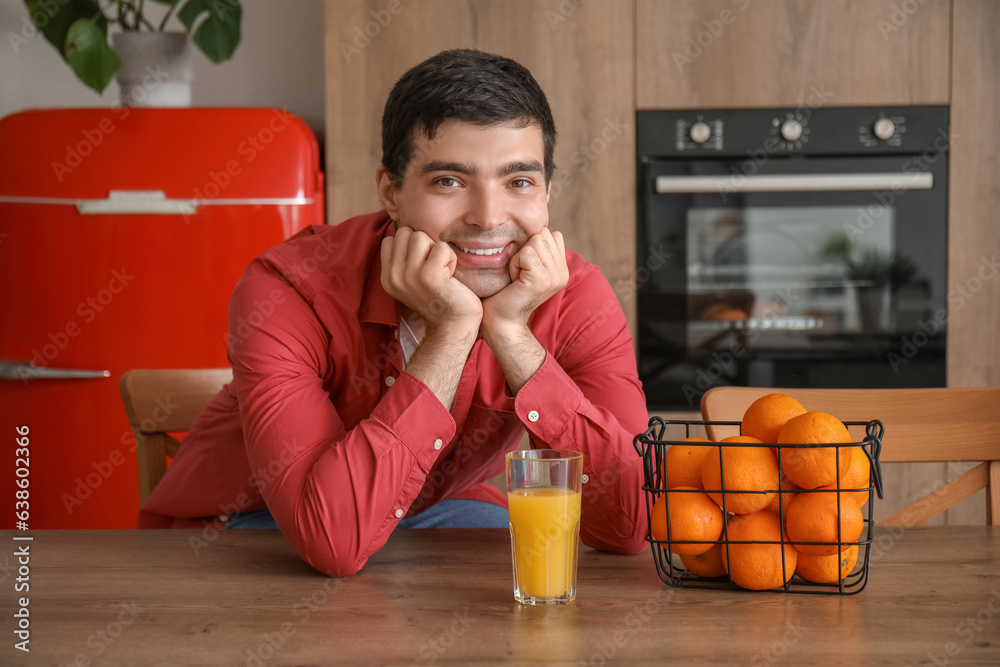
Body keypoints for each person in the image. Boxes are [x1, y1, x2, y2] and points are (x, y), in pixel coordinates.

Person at [139, 49, 649, 576]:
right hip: (248, 530)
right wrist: (452, 331)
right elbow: (331, 540)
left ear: (547, 191)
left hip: (431, 512)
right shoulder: (288, 289)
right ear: (391, 192)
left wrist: (513, 336)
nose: (489, 218)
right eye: (449, 181)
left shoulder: (576, 295)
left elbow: (629, 527)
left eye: (519, 182)